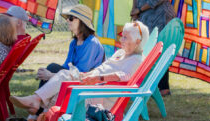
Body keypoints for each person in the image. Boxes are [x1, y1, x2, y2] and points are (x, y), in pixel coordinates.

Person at [9, 21, 149, 113]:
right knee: (64, 75)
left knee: (61, 89)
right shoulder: (121, 53)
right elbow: (102, 68)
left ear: (137, 42)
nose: (121, 40)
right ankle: (37, 106)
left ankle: (36, 110)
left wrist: (97, 78)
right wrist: (88, 75)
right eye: (122, 36)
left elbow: (123, 77)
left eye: (126, 38)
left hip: (100, 97)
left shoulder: (136, 60)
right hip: (93, 85)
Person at [130, 0, 176, 96]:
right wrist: (134, 9)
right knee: (145, 50)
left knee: (159, 51)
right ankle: (148, 84)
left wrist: (140, 9)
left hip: (160, 16)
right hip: (145, 17)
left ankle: (164, 88)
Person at [35, 4, 105, 87]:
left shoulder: (91, 43)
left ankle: (38, 98)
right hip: (75, 78)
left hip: (90, 83)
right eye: (67, 18)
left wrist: (51, 75)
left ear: (82, 22)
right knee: (52, 67)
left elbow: (82, 73)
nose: (67, 20)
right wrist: (46, 73)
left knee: (52, 69)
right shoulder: (74, 43)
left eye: (71, 18)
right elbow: (66, 67)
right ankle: (39, 98)